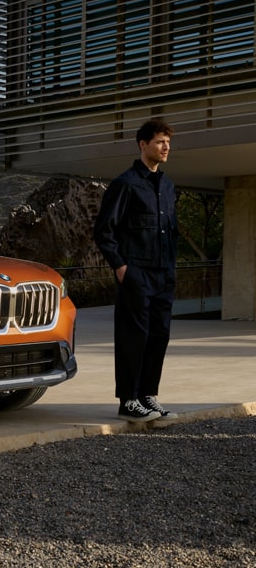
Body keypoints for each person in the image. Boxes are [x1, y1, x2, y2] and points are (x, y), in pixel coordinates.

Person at [93, 118, 179, 423]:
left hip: (163, 274)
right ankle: (128, 399)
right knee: (134, 337)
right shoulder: (125, 184)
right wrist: (121, 267)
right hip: (137, 273)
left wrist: (171, 268)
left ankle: (147, 395)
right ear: (143, 145)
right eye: (159, 141)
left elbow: (172, 231)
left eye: (168, 141)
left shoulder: (167, 186)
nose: (166, 146)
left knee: (159, 335)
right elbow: (104, 231)